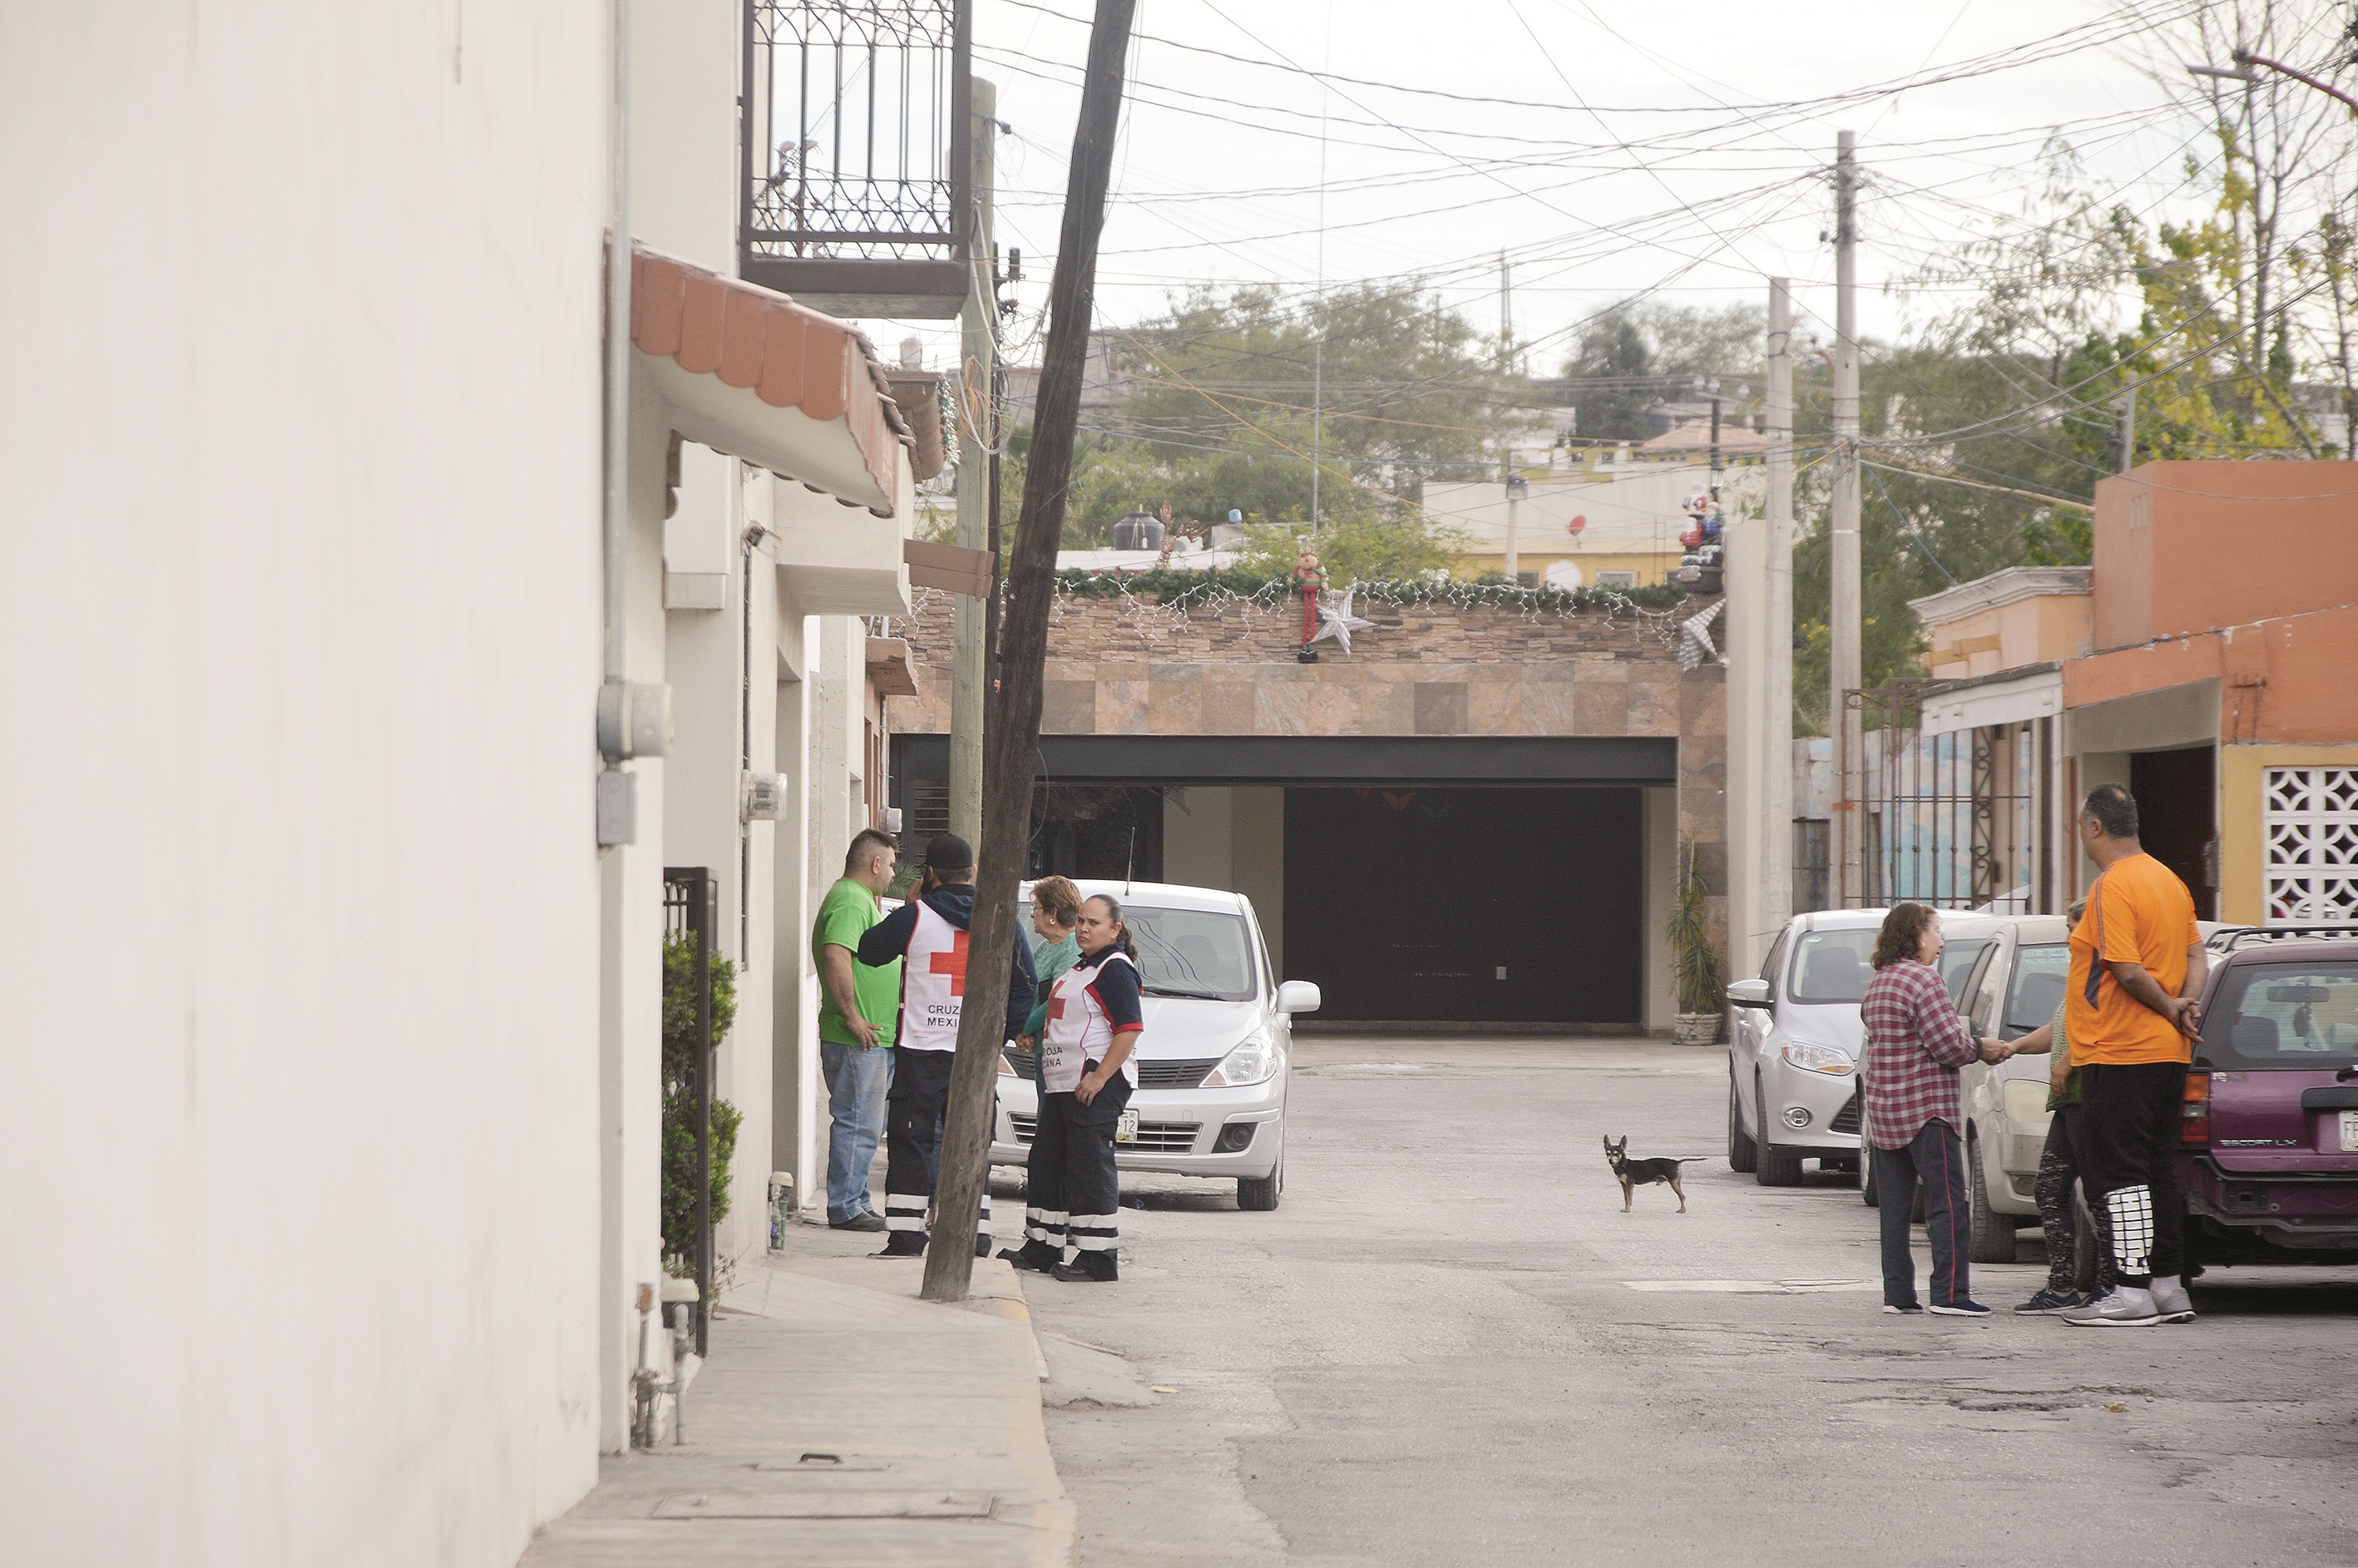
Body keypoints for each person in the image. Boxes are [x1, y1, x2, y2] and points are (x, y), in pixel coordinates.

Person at [2061, 784, 2206, 1328]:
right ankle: (2168, 1286)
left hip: (2118, 1050)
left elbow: (2122, 967)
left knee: (2120, 1176)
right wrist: (2183, 1005)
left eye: (2081, 827)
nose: (2082, 837)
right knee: (2157, 1169)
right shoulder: (2170, 881)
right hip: (2167, 1054)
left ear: (2095, 827)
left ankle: (2129, 1290)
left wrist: (2170, 1004)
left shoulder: (2111, 885)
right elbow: (2197, 953)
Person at [856, 833, 1036, 1258]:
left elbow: (868, 951)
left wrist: (911, 905)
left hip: (920, 1052)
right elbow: (1025, 987)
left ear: (931, 874)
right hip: (975, 1054)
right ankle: (975, 1236)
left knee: (911, 1143)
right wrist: (999, 1035)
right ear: (973, 872)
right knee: (972, 1142)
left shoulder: (915, 915)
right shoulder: (1001, 919)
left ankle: (905, 1237)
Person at [1860, 902, 2013, 1318]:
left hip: (1886, 1111)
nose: (1941, 941)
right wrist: (1983, 1048)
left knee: (1894, 1211)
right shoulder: (1925, 980)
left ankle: (1898, 1294)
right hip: (1927, 1110)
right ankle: (1950, 1294)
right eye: (1936, 931)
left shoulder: (1879, 982)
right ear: (1917, 934)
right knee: (1946, 1204)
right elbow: (1948, 1044)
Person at [1001, 892, 1145, 1284]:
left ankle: (1098, 1258)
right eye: (1081, 920)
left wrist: (1099, 1078)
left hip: (1094, 1086)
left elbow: (1128, 1029)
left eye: (1094, 923)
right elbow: (1065, 1018)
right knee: (1047, 1163)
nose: (1083, 928)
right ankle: (1043, 1245)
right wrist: (1033, 1035)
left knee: (1087, 1169)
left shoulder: (1115, 969)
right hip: (1064, 1086)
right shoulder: (1082, 967)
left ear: (1115, 929)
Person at [2000, 900, 2120, 1314]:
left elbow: (2103, 1026)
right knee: (2050, 1188)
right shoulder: (2078, 973)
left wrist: (2068, 1062)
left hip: (2089, 1094)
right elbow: (2060, 1029)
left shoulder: (2104, 971)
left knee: (2101, 1191)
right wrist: (2014, 1046)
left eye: (2075, 928)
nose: (2069, 937)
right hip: (2067, 1100)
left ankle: (2111, 1284)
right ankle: (2061, 1286)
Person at [813, 829, 901, 1231]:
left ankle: (857, 1200)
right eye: (892, 864)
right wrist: (852, 1016)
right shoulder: (851, 899)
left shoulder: (859, 899)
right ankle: (846, 1206)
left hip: (869, 1035)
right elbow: (835, 953)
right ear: (876, 863)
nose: (893, 873)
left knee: (867, 1122)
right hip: (856, 1035)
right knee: (857, 1121)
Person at [1019, 877, 1085, 1061]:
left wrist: (1025, 1028)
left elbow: (1058, 1000)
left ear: (1052, 913)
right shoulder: (1045, 947)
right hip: (1043, 1049)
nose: (1033, 915)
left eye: (1036, 908)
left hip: (1062, 1055)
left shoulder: (1071, 946)